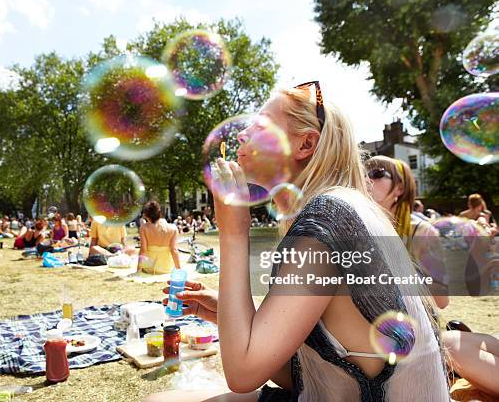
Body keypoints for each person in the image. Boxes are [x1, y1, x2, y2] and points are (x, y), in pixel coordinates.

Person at [145, 84, 448, 401]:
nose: (241, 135)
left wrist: (233, 232)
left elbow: (242, 373)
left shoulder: (327, 222)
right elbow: (304, 375)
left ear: (305, 144)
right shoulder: (335, 210)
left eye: (259, 125)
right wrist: (225, 315)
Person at [366, 156, 449, 309]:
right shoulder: (355, 227)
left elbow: (441, 300)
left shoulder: (422, 233)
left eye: (377, 173)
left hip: (412, 327)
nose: (365, 178)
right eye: (362, 172)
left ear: (400, 188)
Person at [137, 201, 180, 274]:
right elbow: (174, 251)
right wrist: (179, 270)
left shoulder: (143, 228)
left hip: (149, 268)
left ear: (147, 215)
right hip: (166, 268)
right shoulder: (173, 228)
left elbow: (143, 250)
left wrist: (138, 270)